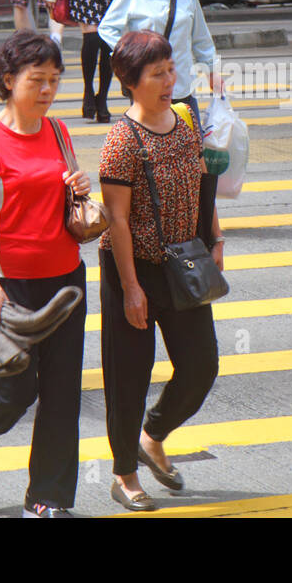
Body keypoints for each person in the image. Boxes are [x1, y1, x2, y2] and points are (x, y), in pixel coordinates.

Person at [0, 31, 91, 518]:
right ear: (9, 81)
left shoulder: (57, 132)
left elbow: (69, 199)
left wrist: (78, 185)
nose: (48, 90)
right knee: (17, 386)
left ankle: (48, 498)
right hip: (13, 286)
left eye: (55, 80)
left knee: (61, 393)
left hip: (67, 279)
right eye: (38, 80)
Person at [98, 31, 223, 512]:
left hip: (185, 260)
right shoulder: (121, 141)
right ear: (130, 81)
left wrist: (217, 238)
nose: (170, 80)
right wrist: (131, 288)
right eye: (157, 74)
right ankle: (124, 473)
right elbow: (119, 220)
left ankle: (153, 436)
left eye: (171, 70)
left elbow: (202, 182)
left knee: (201, 366)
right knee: (129, 374)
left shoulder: (187, 118)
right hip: (134, 267)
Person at [98, 0, 219, 130]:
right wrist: (132, 53)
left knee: (192, 151)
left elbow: (200, 37)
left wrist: (212, 71)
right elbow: (107, 28)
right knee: (151, 151)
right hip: (147, 89)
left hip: (182, 89)